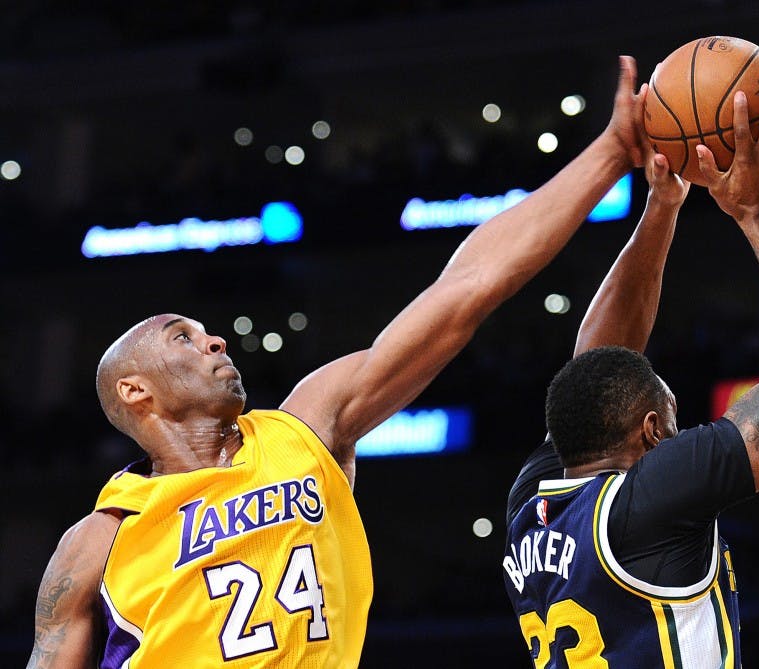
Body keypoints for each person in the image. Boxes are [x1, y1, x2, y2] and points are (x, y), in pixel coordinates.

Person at [26, 56, 654, 669]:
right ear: (135, 391)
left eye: (208, 333)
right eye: (182, 339)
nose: (216, 342)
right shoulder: (99, 540)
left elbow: (467, 288)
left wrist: (608, 155)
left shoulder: (305, 429)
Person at [503, 84, 759, 668]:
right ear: (651, 433)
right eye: (673, 422)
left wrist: (663, 205)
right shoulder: (649, 504)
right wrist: (758, 214)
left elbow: (595, 367)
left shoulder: (532, 508)